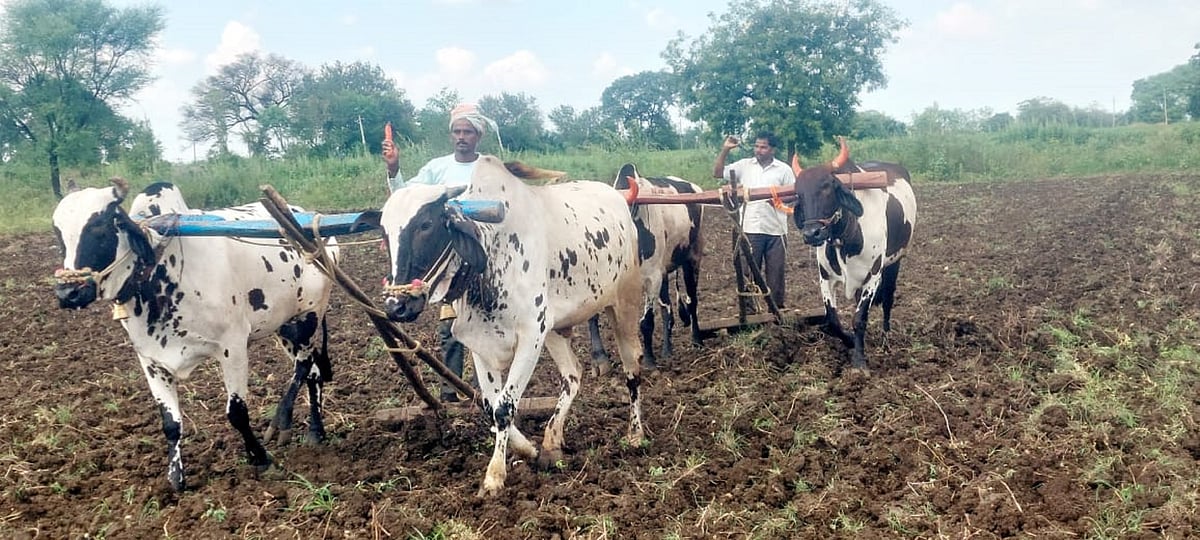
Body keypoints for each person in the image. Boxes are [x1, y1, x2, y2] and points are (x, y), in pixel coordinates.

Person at [382, 102, 498, 402]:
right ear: (452, 135)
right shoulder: (436, 168)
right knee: (451, 330)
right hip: (447, 262)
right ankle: (451, 392)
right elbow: (406, 197)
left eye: (468, 132)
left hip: (484, 256)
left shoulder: (490, 168)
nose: (462, 137)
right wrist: (394, 169)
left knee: (486, 328)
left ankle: (485, 392)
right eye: (457, 131)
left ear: (478, 136)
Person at [712, 131, 792, 310]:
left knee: (776, 274)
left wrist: (779, 202)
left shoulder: (784, 170)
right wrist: (725, 150)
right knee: (748, 272)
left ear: (773, 150)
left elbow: (793, 196)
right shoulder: (744, 166)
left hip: (776, 230)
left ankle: (776, 309)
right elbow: (717, 173)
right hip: (750, 228)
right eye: (757, 146)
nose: (759, 150)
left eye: (764, 147)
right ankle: (749, 309)